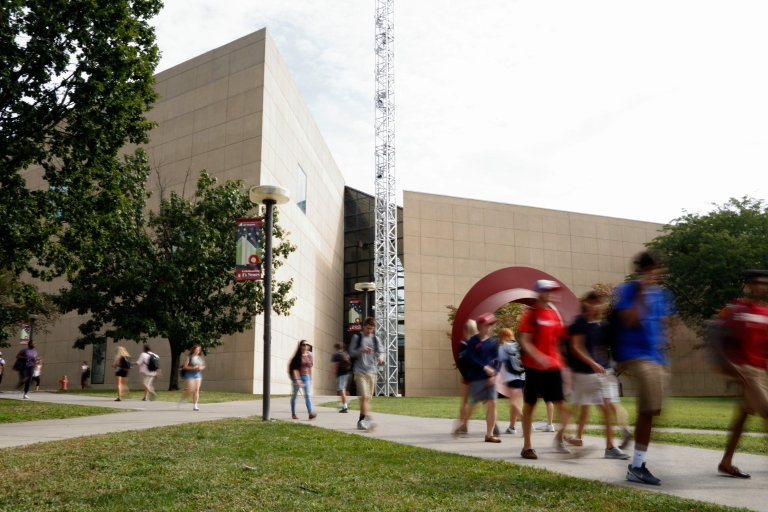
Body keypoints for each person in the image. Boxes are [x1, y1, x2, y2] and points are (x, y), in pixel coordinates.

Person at [614, 251, 676, 485]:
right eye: (652, 269)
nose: (656, 273)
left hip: (656, 357)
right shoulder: (628, 290)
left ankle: (638, 464)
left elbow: (664, 324)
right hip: (634, 354)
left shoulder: (662, 295)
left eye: (658, 269)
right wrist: (642, 291)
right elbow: (628, 320)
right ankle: (637, 466)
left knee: (651, 410)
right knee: (649, 406)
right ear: (642, 270)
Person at [716, 270, 768, 478]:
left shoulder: (765, 313)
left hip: (761, 371)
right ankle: (726, 461)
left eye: (763, 283)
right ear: (748, 284)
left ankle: (726, 461)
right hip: (745, 371)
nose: (760, 287)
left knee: (743, 416)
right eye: (755, 283)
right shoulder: (736, 309)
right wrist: (729, 364)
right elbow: (719, 337)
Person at [567, 291, 630, 459]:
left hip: (601, 372)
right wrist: (593, 364)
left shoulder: (602, 325)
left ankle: (603, 444)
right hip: (585, 373)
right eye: (592, 302)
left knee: (605, 408)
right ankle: (571, 438)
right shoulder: (580, 322)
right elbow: (576, 347)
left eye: (598, 303)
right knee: (588, 408)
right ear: (587, 303)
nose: (595, 306)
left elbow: (605, 347)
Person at [518, 280, 572, 459]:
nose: (552, 294)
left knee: (562, 405)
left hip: (553, 366)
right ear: (539, 292)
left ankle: (561, 437)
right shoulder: (531, 314)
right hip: (534, 366)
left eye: (554, 291)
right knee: (530, 405)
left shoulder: (555, 315)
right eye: (548, 290)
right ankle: (527, 447)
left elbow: (561, 339)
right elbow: (524, 341)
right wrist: (539, 356)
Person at [461, 312, 502, 443]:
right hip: (478, 377)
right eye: (486, 325)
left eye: (491, 325)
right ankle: (462, 423)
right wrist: (485, 367)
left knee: (492, 404)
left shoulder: (493, 342)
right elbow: (471, 357)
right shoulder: (473, 341)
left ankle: (489, 434)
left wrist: (494, 373)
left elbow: (498, 359)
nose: (489, 327)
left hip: (491, 378)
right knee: (474, 404)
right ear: (479, 327)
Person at [349, 317, 384, 431]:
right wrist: (361, 350)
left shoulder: (375, 339)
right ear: (364, 326)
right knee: (364, 397)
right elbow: (351, 352)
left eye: (372, 329)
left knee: (367, 399)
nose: (370, 331)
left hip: (372, 371)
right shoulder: (357, 337)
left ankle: (360, 421)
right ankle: (369, 418)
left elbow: (381, 351)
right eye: (368, 328)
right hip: (359, 370)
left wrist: (380, 357)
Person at [496, 328, 524, 434]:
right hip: (520, 377)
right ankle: (512, 427)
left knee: (513, 403)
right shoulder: (516, 346)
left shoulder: (502, 347)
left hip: (509, 377)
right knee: (516, 402)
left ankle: (525, 419)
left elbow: (498, 362)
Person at [454, 320, 479, 437]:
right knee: (481, 402)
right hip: (478, 377)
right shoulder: (479, 343)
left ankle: (464, 425)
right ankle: (493, 425)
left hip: (466, 377)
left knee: (464, 403)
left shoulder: (464, 344)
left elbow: (460, 362)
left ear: (465, 330)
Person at [289, 340, 317, 420]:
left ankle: (310, 413)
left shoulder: (309, 356)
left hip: (307, 377)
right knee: (295, 396)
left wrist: (311, 378)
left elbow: (310, 367)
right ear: (300, 346)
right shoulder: (297, 357)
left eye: (307, 344)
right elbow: (294, 369)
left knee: (308, 395)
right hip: (297, 377)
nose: (306, 346)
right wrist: (297, 379)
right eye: (304, 344)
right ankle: (294, 413)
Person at [179, 345, 205, 411]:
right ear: (193, 350)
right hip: (189, 374)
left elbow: (203, 365)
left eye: (199, 350)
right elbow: (185, 367)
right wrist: (193, 367)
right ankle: (182, 400)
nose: (197, 351)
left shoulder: (200, 358)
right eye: (196, 349)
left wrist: (200, 367)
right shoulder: (189, 357)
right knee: (190, 389)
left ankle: (195, 405)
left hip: (198, 374)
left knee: (196, 389)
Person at [330, 342, 351, 413]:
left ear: (336, 348)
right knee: (344, 389)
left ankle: (345, 407)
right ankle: (345, 403)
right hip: (347, 373)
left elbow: (335, 365)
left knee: (341, 390)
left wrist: (331, 374)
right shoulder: (346, 353)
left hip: (341, 374)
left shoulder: (336, 354)